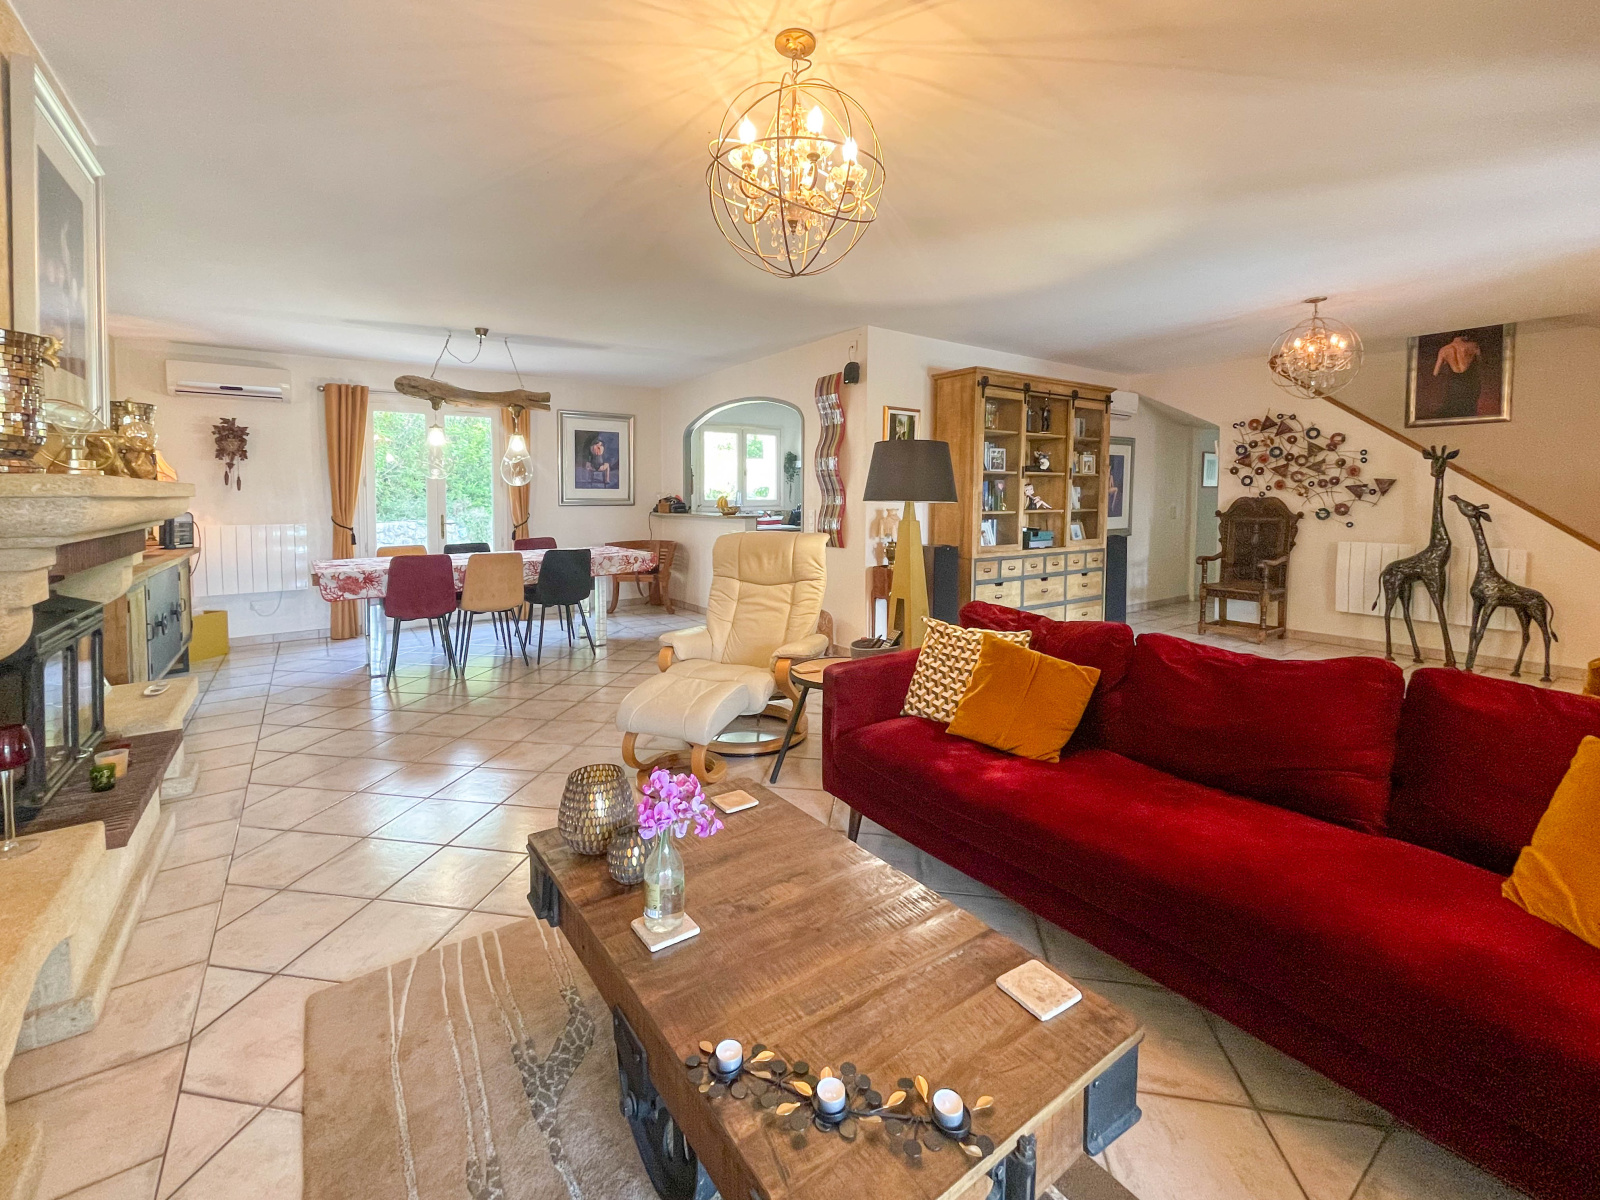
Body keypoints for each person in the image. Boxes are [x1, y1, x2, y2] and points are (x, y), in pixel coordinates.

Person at [1431, 332, 1483, 419]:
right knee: (1469, 408)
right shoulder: (1473, 345)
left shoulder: (1444, 349)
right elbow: (1480, 362)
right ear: (1464, 336)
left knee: (1454, 408)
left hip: (1453, 381)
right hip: (1470, 379)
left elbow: (1435, 372)